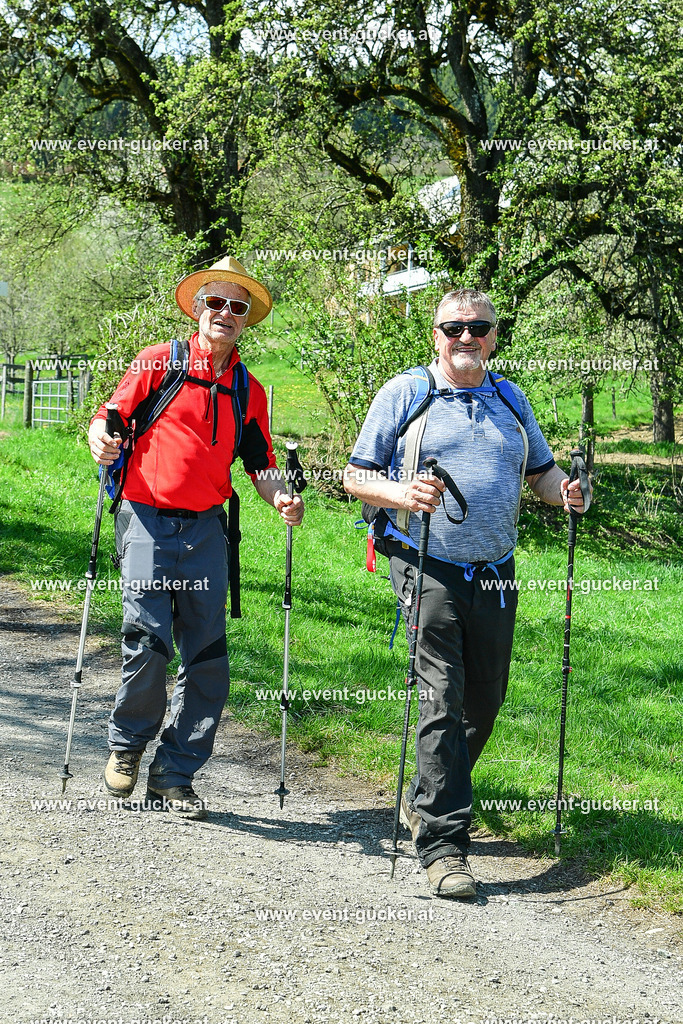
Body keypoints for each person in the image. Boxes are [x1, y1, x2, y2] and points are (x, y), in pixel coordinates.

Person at [343, 288, 589, 897]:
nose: (466, 337)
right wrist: (402, 493)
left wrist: (567, 492)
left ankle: (427, 796)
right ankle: (444, 847)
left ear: (494, 337)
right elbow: (355, 476)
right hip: (425, 561)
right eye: (453, 327)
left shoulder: (510, 397)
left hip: (496, 568)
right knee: (441, 695)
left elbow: (541, 473)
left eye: (478, 328)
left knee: (485, 698)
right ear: (435, 335)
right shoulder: (407, 393)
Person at [88, 256, 304, 820]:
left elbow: (259, 462)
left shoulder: (247, 389)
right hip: (145, 517)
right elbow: (109, 416)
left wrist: (281, 496)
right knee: (149, 639)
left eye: (238, 306)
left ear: (246, 320)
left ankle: (174, 773)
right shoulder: (158, 361)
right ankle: (127, 746)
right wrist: (100, 440)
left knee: (207, 656)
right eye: (216, 302)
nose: (225, 313)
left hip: (207, 528)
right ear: (199, 308)